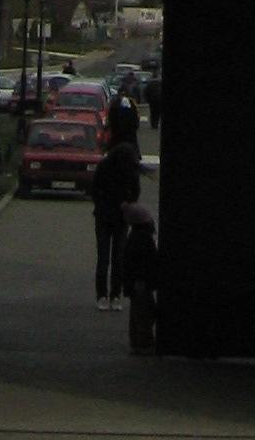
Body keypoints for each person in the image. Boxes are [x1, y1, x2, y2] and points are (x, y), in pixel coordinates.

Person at [90, 100, 141, 310]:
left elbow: (94, 190)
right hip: (120, 215)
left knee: (103, 257)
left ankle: (102, 296)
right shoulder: (129, 169)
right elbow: (135, 191)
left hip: (103, 215)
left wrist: (102, 203)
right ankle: (115, 296)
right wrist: (128, 203)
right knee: (118, 257)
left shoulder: (104, 166)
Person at [122, 200, 159, 353]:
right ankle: (144, 342)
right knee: (145, 312)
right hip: (142, 282)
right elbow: (143, 262)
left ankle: (137, 341)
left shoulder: (135, 237)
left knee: (138, 312)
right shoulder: (143, 238)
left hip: (136, 282)